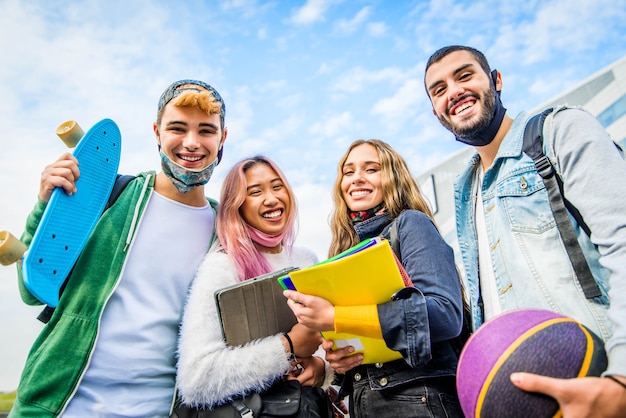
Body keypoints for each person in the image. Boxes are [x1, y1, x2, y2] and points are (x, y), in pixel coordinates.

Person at [424, 45, 626, 417]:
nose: (452, 91)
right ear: (438, 113)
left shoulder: (559, 130)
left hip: (597, 383)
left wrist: (621, 379)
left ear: (496, 81)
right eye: (438, 90)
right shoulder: (465, 191)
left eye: (465, 75)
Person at [10, 79, 227, 417]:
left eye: (206, 131)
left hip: (159, 409)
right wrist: (44, 205)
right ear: (157, 132)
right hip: (61, 406)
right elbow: (31, 290)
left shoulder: (226, 231)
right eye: (177, 128)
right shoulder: (109, 195)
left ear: (222, 138)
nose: (191, 142)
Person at [283, 139, 465, 418]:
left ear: (393, 177)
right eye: (349, 171)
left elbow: (445, 314)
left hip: (420, 401)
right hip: (367, 403)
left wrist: (337, 318)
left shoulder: (411, 223)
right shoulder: (343, 252)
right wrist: (340, 362)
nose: (357, 179)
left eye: (371, 169)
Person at [175, 155, 336, 417]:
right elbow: (196, 380)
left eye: (277, 186)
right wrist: (287, 347)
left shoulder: (307, 261)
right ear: (237, 206)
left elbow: (325, 348)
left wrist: (320, 369)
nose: (271, 199)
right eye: (255, 192)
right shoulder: (222, 267)